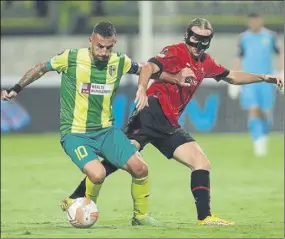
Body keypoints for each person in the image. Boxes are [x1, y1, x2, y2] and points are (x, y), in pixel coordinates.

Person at [61, 18, 283, 226]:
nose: (199, 43)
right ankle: (75, 198)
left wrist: (264, 77)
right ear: (188, 36)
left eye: (204, 39)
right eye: (195, 38)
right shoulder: (175, 52)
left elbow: (232, 76)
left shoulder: (205, 62)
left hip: (169, 123)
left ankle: (204, 218)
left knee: (201, 163)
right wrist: (142, 88)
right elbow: (148, 66)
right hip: (150, 114)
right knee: (119, 160)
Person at [0, 21, 193, 226]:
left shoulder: (119, 61)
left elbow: (147, 69)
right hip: (75, 133)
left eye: (108, 47)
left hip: (106, 132)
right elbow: (40, 68)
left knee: (141, 169)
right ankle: (86, 207)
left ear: (114, 44)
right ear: (90, 41)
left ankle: (140, 217)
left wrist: (175, 78)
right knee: (98, 173)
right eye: (99, 46)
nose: (103, 52)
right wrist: (17, 88)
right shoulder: (71, 57)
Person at [229, 13, 283, 157]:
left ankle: (264, 136)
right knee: (253, 110)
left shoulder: (270, 36)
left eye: (256, 21)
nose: (254, 23)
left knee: (266, 112)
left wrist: (281, 72)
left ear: (260, 21)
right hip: (249, 80)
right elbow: (238, 57)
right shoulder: (244, 38)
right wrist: (234, 79)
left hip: (267, 80)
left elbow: (279, 54)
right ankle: (257, 142)